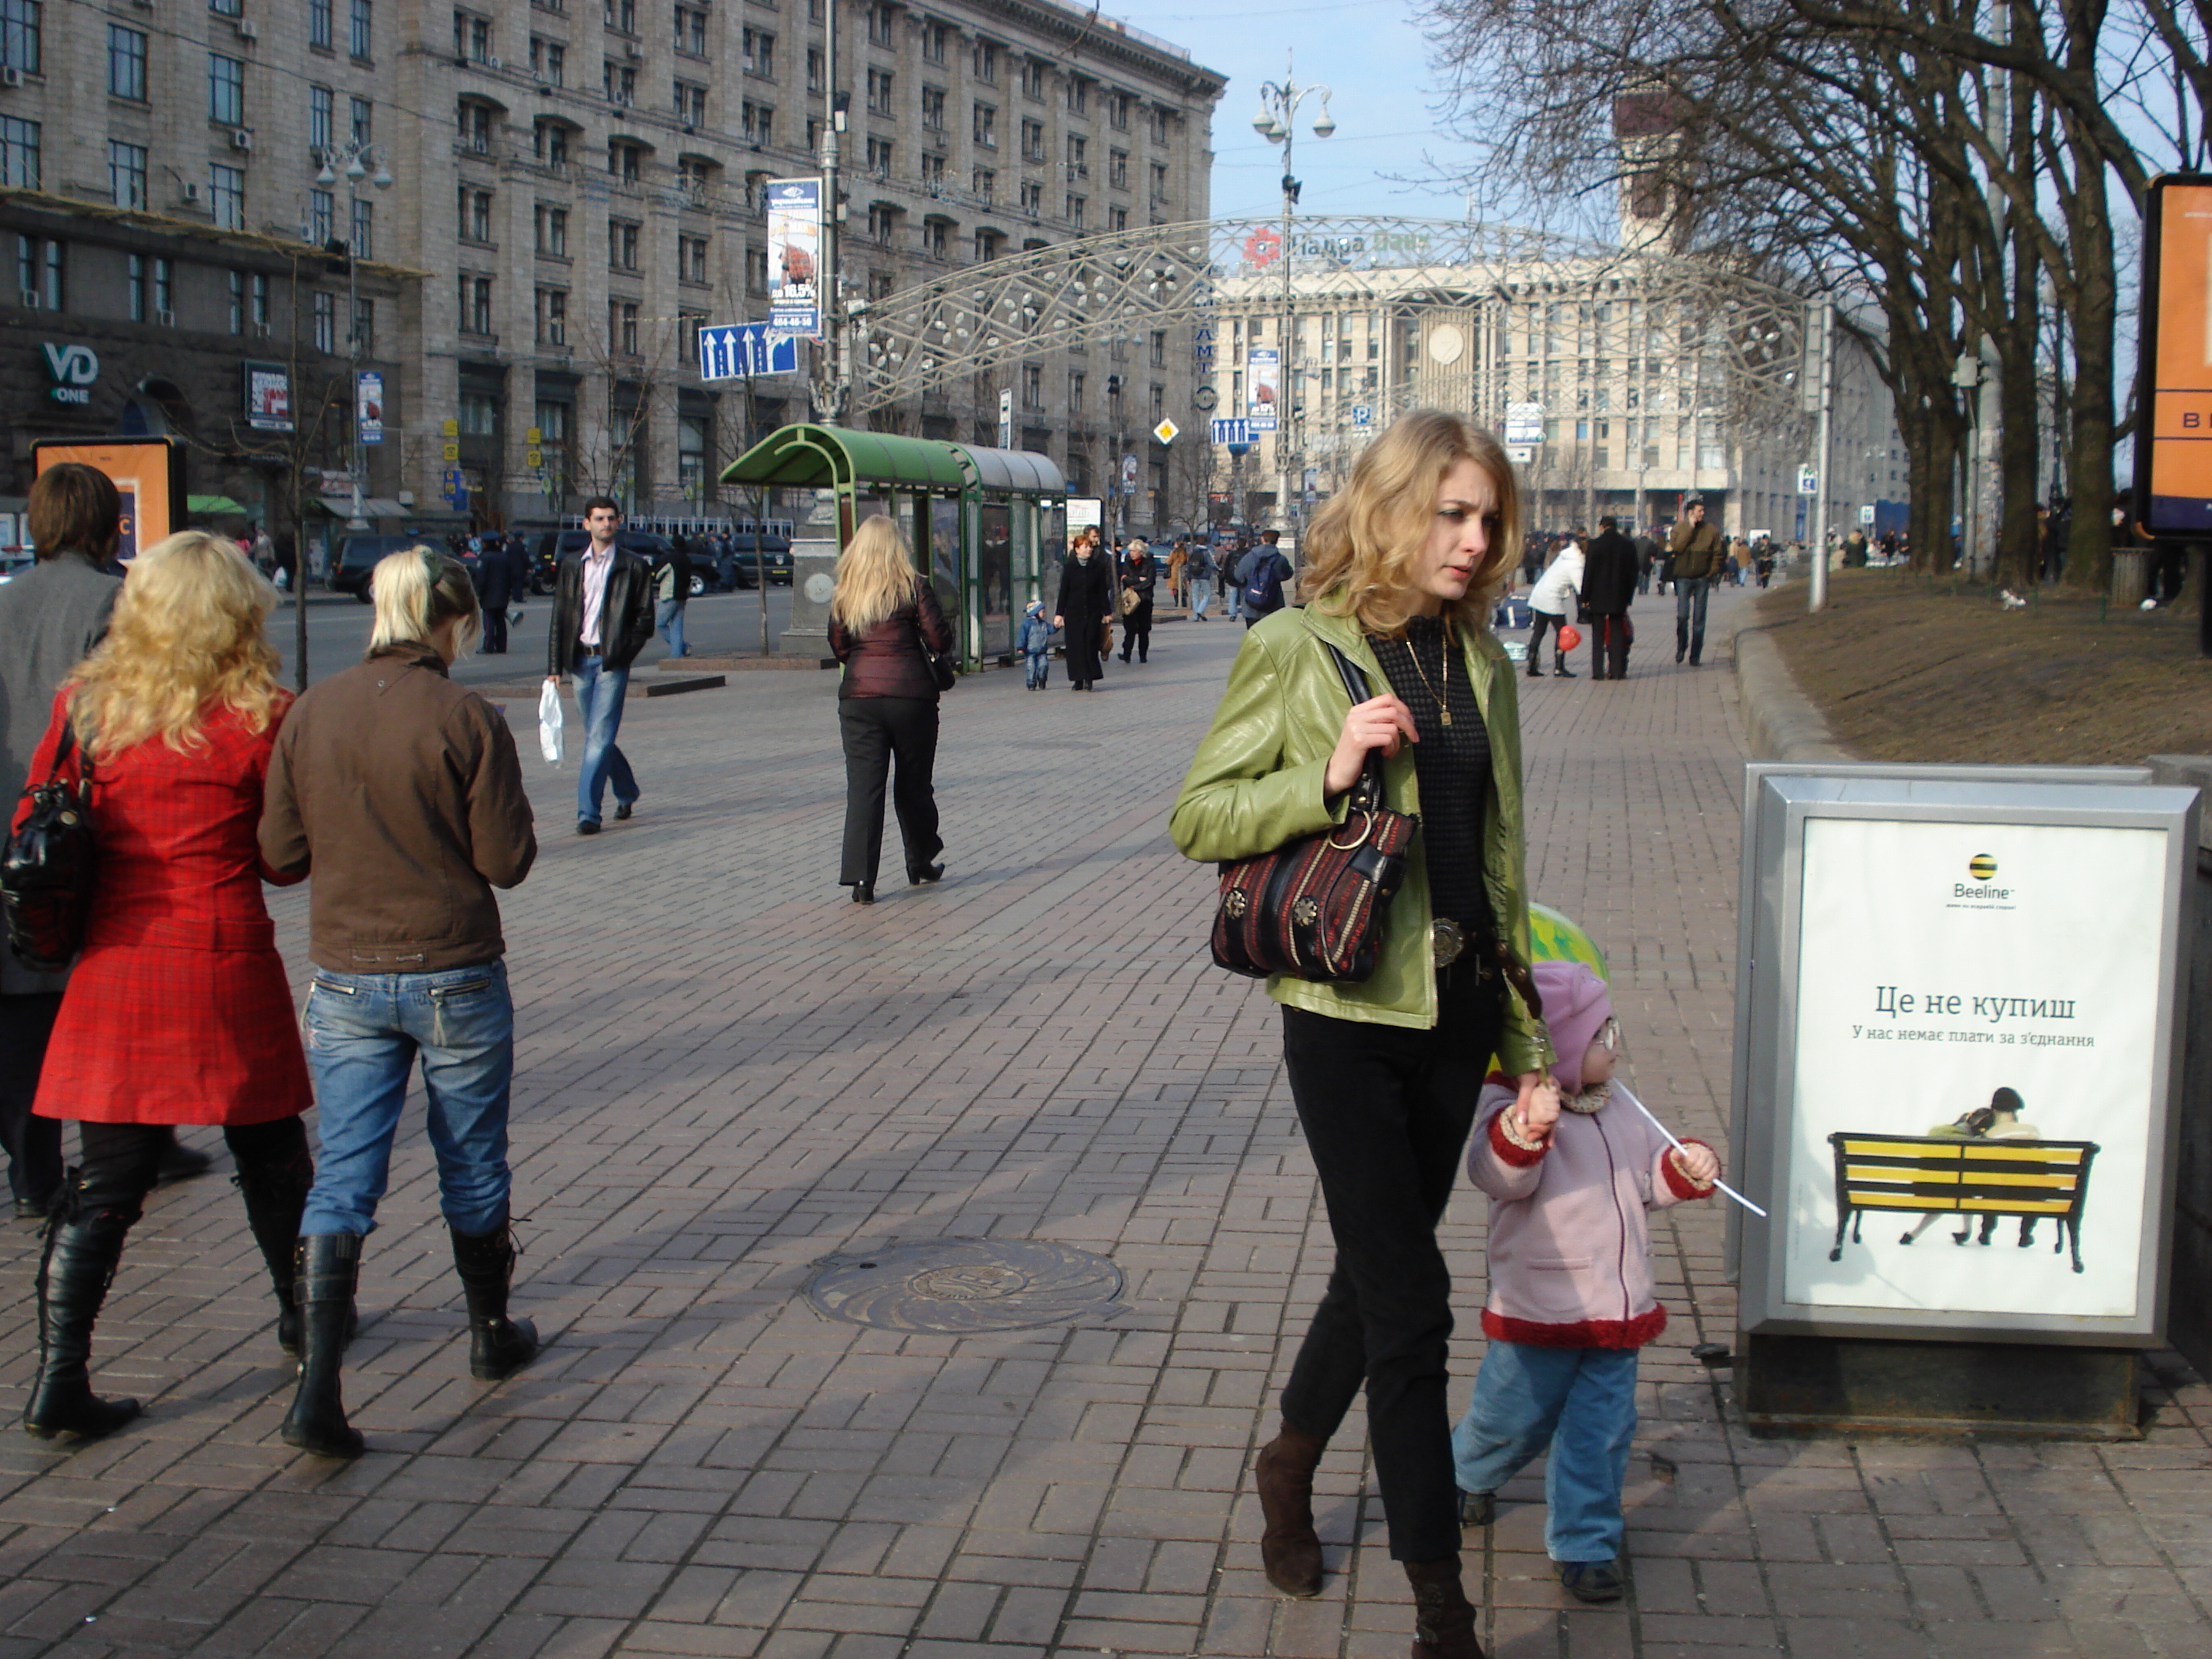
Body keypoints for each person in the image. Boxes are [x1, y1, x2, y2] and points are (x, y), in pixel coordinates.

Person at [1170, 410, 1549, 1659]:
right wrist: (1326, 771)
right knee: (1415, 1305)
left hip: (1452, 1019)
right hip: (1341, 1017)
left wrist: (1529, 1047)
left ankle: (1287, 1458)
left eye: (1487, 516)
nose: (1475, 537)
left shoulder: (1481, 660)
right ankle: (1443, 1614)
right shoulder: (1296, 646)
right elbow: (1199, 814)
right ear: (1389, 510)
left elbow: (1497, 863)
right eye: (1450, 512)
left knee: (1374, 1271)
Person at [14, 532, 318, 1442]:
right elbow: (280, 863)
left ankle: (58, 1378)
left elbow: (40, 814)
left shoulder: (87, 707)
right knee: (271, 1158)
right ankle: (303, 1319)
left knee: (105, 1181)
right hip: (223, 962)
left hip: (114, 967)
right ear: (236, 612)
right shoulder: (264, 713)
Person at [261, 547, 539, 1459]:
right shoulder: (465, 714)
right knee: (470, 1160)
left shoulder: (312, 712)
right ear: (450, 621)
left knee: (344, 1173)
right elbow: (505, 862)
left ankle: (319, 1386)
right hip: (454, 964)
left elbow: (281, 854)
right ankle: (489, 1332)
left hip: (345, 971)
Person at [1452, 961, 1719, 1604]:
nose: (1616, 1042)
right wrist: (1527, 1131)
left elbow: (1644, 1186)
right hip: (1542, 1303)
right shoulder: (1509, 1103)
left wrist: (1681, 1169)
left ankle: (1586, 1542)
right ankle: (1467, 1472)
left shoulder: (1620, 1103)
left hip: (1618, 1303)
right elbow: (1497, 1177)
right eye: (1603, 1032)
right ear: (1561, 1047)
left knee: (1602, 1431)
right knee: (1511, 1413)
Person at [0, 466, 126, 1223]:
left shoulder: (6, 599)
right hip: (72, 819)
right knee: (77, 993)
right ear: (107, 523)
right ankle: (121, 1146)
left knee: (17, 999)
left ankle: (32, 1168)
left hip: (10, 820)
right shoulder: (111, 601)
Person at [828, 516, 952, 904]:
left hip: (860, 700)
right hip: (912, 697)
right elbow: (940, 639)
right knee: (914, 784)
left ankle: (862, 881)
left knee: (864, 789)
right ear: (898, 547)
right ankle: (920, 861)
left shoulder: (847, 590)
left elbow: (839, 646)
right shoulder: (914, 586)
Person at [544, 498, 655, 835]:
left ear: (618, 522)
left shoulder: (633, 566)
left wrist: (621, 654)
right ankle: (627, 791)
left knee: (597, 739)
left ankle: (588, 813)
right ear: (586, 524)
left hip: (610, 662)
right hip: (579, 660)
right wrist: (554, 665)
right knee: (598, 736)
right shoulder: (570, 565)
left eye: (610, 518)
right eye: (598, 519)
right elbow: (559, 618)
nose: (605, 524)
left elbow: (645, 620)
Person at [1054, 529, 1114, 692]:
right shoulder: (1070, 567)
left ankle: (1089, 678)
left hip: (1092, 613)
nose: (1089, 549)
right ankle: (1077, 679)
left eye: (1090, 547)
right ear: (1077, 549)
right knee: (1075, 647)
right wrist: (1059, 614)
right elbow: (1064, 591)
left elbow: (1103, 591)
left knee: (1090, 645)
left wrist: (1107, 612)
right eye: (1085, 547)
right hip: (1074, 613)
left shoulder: (1097, 567)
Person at [1666, 496, 1723, 665]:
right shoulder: (1679, 528)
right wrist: (1690, 529)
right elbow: (1678, 548)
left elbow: (1717, 553)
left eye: (1703, 511)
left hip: (1701, 578)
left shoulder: (1710, 530)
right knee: (1683, 616)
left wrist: (1710, 572)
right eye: (1699, 511)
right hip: (1683, 577)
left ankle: (1695, 655)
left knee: (1699, 619)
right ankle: (1681, 646)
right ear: (1690, 512)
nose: (1702, 514)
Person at [1581, 516, 1637, 682]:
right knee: (1617, 632)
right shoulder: (1627, 545)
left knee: (1598, 635)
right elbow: (1634, 573)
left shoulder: (1595, 545)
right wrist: (1629, 596)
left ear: (1602, 527)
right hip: (1619, 595)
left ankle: (1598, 672)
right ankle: (1617, 671)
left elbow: (1588, 572)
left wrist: (1585, 597)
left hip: (1598, 596)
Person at [1526, 528, 1584, 678]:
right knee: (1563, 633)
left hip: (1539, 594)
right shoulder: (1576, 563)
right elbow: (1581, 588)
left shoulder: (1565, 556)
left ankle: (1531, 667)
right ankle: (1559, 667)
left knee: (1538, 632)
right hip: (1552, 599)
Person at [1236, 528, 1295, 630]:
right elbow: (1287, 575)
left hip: (1251, 603)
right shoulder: (1280, 559)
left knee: (1254, 636)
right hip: (1273, 603)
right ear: (1277, 541)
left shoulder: (1250, 557)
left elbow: (1238, 575)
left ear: (1262, 539)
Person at [1118, 539, 1157, 665]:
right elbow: (1124, 579)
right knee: (1129, 629)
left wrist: (1135, 585)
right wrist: (1138, 579)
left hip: (1144, 600)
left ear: (1141, 552)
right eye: (1130, 551)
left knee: (1143, 630)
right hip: (1130, 600)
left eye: (1134, 551)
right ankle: (1127, 654)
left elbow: (1150, 581)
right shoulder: (1128, 563)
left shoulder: (1149, 563)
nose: (1132, 553)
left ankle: (1143, 655)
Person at [475, 528, 513, 653]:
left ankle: (488, 646)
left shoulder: (484, 558)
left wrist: (478, 593)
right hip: (503, 594)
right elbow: (510, 576)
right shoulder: (504, 557)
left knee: (489, 622)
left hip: (488, 595)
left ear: (485, 543)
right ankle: (502, 646)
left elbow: (481, 578)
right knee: (500, 621)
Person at [655, 538, 693, 660]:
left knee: (661, 624)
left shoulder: (669, 558)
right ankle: (676, 655)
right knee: (677, 626)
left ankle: (682, 647)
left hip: (670, 595)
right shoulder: (687, 559)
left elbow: (657, 574)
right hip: (683, 596)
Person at [1017, 600, 1055, 689]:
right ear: (1036, 612)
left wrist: (1057, 626)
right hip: (1030, 651)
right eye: (1042, 612)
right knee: (1031, 668)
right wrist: (1020, 647)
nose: (1044, 614)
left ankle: (1042, 680)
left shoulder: (1043, 624)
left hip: (1042, 650)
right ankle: (1031, 683)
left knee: (1044, 666)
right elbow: (1022, 636)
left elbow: (1051, 630)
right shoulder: (1026, 624)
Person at [1187, 536, 1218, 621]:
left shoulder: (1193, 552)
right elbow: (1212, 564)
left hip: (1194, 576)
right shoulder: (1207, 552)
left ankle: (1195, 616)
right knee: (1207, 595)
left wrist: (1188, 576)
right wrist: (1218, 570)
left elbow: (1188, 565)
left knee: (1195, 596)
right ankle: (1200, 611)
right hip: (1204, 576)